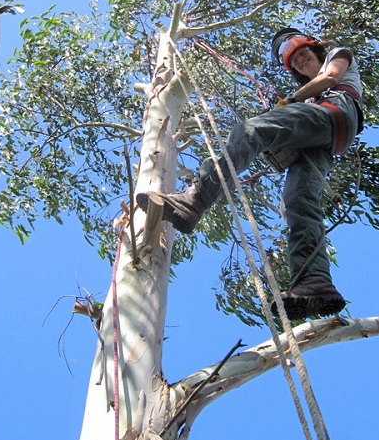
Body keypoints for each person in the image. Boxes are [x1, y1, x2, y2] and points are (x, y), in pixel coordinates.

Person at [136, 33, 363, 320]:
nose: (301, 62)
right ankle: (314, 283)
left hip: (336, 112)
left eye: (303, 54)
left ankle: (195, 199)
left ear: (316, 49)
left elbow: (331, 78)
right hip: (327, 139)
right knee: (298, 202)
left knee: (250, 131)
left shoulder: (336, 56)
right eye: (295, 63)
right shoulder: (311, 95)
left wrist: (291, 101)